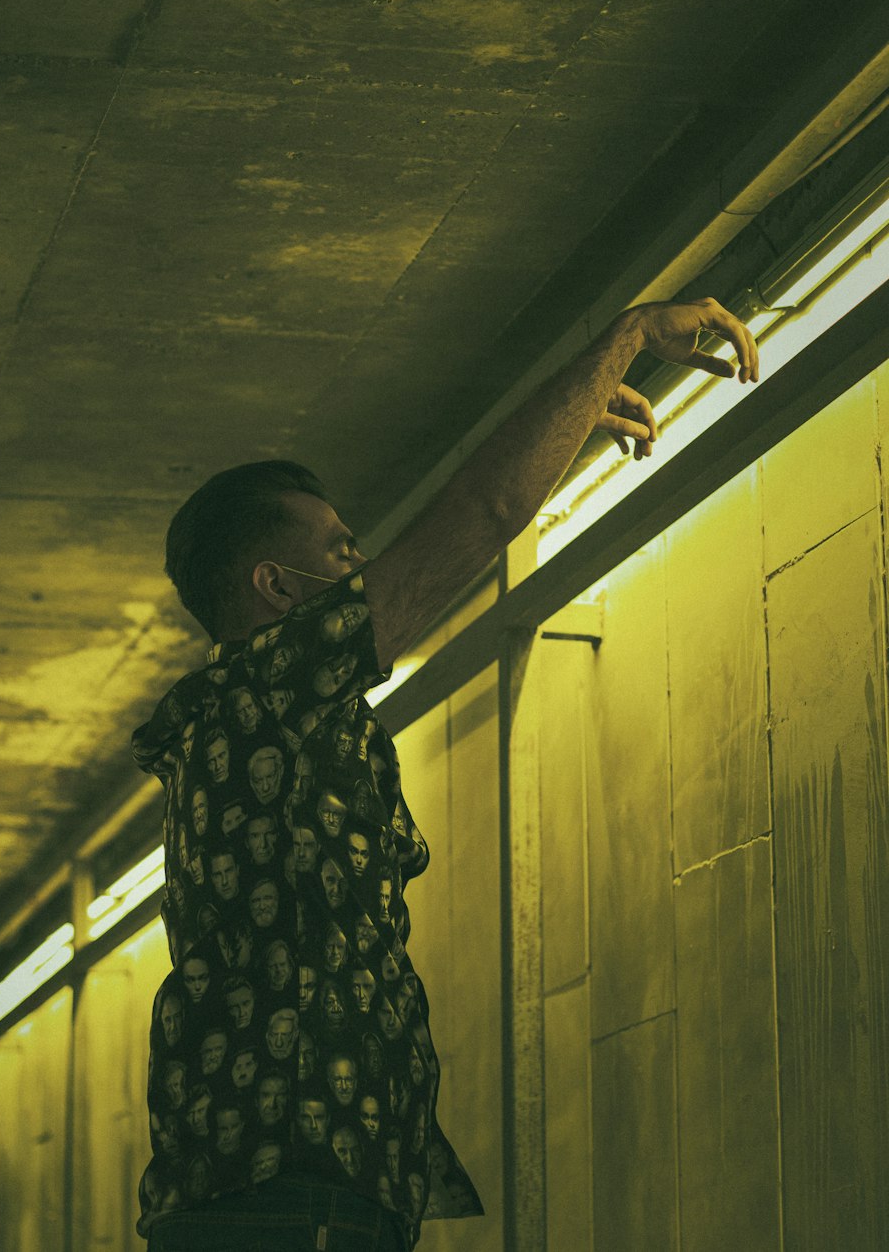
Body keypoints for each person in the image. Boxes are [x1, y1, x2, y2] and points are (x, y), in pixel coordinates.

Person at [133, 297, 759, 1250]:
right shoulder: (270, 688)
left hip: (285, 1194)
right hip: (293, 1195)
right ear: (275, 588)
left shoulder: (250, 726)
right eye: (342, 554)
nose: (366, 572)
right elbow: (485, 511)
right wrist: (626, 340)